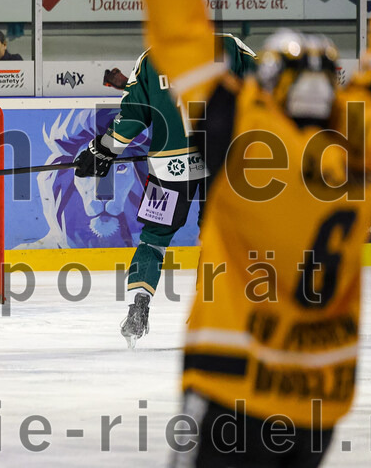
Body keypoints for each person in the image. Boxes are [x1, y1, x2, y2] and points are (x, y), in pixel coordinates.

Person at [130, 0, 371, 466]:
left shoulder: (241, 133)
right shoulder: (365, 139)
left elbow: (185, 52)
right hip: (318, 400)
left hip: (232, 385)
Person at [74, 33, 257, 348]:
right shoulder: (230, 46)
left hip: (168, 167)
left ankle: (139, 304)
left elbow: (133, 116)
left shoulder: (151, 57)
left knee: (154, 239)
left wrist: (103, 149)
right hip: (222, 163)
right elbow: (265, 93)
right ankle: (210, 314)